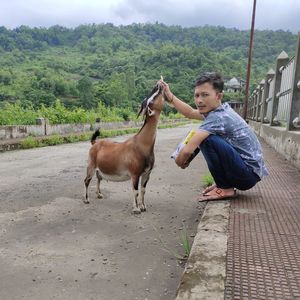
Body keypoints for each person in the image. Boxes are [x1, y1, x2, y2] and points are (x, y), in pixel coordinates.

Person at [159, 72, 268, 201]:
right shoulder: (221, 111)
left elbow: (188, 149)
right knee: (207, 137)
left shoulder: (218, 117)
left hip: (246, 175)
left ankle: (226, 188)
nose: (199, 100)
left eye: (205, 95)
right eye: (197, 95)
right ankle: (225, 184)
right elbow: (189, 112)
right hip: (249, 174)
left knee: (206, 139)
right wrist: (169, 96)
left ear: (218, 96)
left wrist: (180, 161)